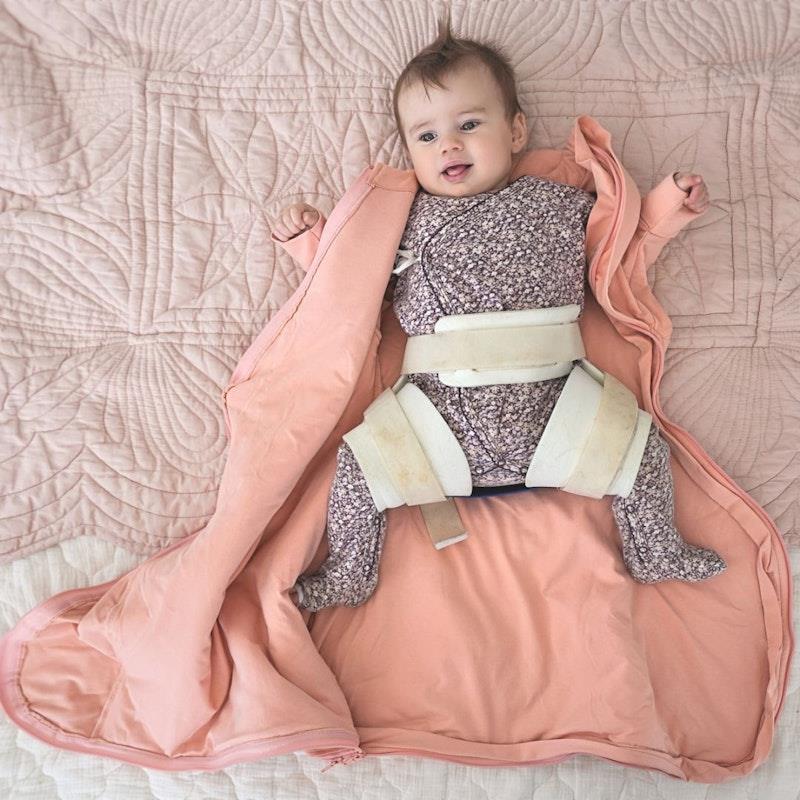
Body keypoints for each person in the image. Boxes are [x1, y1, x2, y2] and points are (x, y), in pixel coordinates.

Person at [269, 14, 723, 612]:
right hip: (437, 418)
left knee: (644, 450)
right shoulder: (403, 219)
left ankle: (655, 550)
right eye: (426, 136)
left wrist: (669, 205)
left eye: (468, 124)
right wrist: (310, 240)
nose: (448, 145)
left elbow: (622, 252)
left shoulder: (561, 204)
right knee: (356, 464)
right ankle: (351, 571)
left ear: (515, 131)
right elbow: (348, 285)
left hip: (557, 410)